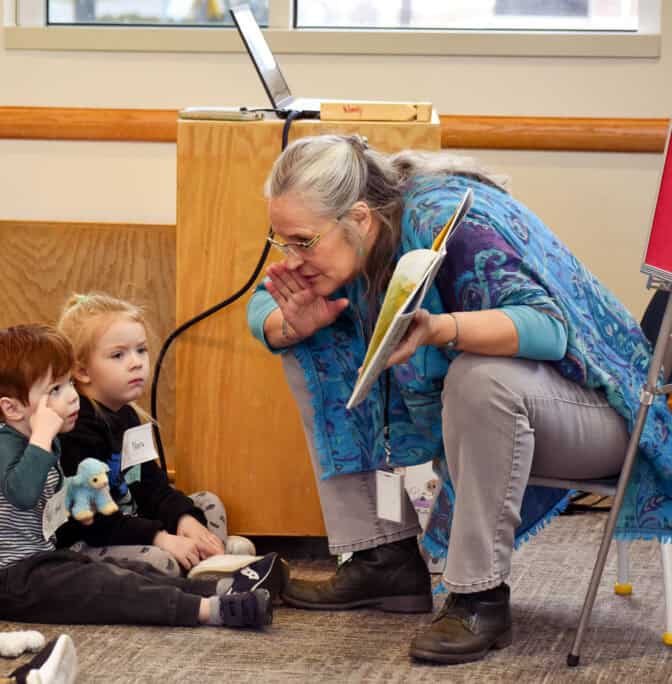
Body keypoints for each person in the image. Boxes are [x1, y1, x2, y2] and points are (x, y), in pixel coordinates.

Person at [247, 134, 672, 664]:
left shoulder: (449, 221)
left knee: (480, 376)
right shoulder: (363, 230)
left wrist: (441, 328)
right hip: (506, 413)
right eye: (281, 240)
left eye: (302, 242)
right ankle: (382, 557)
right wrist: (286, 323)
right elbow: (263, 303)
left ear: (358, 218)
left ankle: (479, 598)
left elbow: (548, 330)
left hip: (605, 412)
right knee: (310, 336)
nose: (292, 257)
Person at [0, 324, 277, 630]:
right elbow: (23, 494)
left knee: (132, 571)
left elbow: (54, 497)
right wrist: (42, 438)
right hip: (7, 578)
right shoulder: (7, 443)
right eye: (56, 390)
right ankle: (210, 610)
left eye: (69, 384)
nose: (73, 396)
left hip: (47, 559)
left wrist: (77, 502)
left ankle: (218, 588)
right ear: (12, 408)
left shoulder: (47, 437)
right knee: (107, 586)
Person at [55, 291, 266, 577]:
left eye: (141, 350)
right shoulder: (75, 429)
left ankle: (210, 553)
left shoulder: (128, 415)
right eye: (119, 355)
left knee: (207, 502)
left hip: (132, 522)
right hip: (92, 538)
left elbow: (151, 486)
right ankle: (212, 558)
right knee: (161, 562)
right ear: (82, 371)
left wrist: (184, 519)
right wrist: (160, 538)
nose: (136, 362)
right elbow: (95, 523)